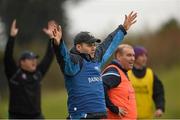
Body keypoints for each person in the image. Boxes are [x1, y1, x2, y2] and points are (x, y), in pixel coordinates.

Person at [46, 11, 137, 119]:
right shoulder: (74, 62)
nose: (94, 47)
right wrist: (59, 43)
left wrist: (123, 29)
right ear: (79, 47)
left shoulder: (95, 59)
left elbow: (108, 44)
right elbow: (63, 57)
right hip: (82, 116)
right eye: (89, 45)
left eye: (94, 44)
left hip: (99, 116)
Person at [3, 19, 54, 119]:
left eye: (35, 58)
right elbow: (7, 57)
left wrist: (51, 38)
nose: (34, 61)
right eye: (30, 59)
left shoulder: (38, 73)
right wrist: (12, 37)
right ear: (22, 62)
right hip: (17, 117)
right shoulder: (14, 73)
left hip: (37, 116)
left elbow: (49, 57)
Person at [127, 46, 165, 119]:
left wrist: (160, 107)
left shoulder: (151, 74)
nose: (145, 58)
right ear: (135, 57)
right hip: (130, 117)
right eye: (141, 55)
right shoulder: (127, 74)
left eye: (146, 55)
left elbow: (159, 93)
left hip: (147, 117)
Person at [102, 44, 137, 119]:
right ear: (118, 56)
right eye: (129, 55)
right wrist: (113, 108)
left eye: (133, 55)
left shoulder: (122, 72)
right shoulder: (114, 72)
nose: (133, 58)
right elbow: (100, 89)